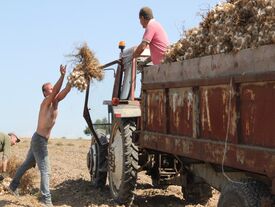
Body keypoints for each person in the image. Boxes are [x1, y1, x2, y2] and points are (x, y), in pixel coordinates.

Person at [9, 65, 72, 207]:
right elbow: (56, 90)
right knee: (46, 170)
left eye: (52, 89)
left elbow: (64, 91)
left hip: (38, 139)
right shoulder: (46, 102)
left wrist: (72, 81)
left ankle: (13, 186)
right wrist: (62, 76)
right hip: (39, 140)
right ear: (45, 93)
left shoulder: (56, 101)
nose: (53, 91)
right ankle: (46, 199)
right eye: (50, 90)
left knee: (28, 163)